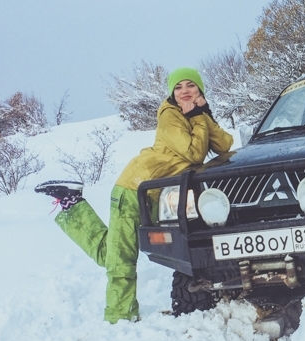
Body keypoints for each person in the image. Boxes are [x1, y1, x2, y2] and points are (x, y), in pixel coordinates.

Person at [35, 68, 234, 324]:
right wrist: (197, 115)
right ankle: (119, 320)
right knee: (121, 260)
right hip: (133, 187)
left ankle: (72, 204)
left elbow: (225, 145)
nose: (184, 91)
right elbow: (194, 154)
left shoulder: (196, 114)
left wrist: (204, 114)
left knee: (115, 251)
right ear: (172, 93)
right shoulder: (170, 115)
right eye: (178, 87)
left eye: (191, 85)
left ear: (200, 90)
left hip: (157, 194)